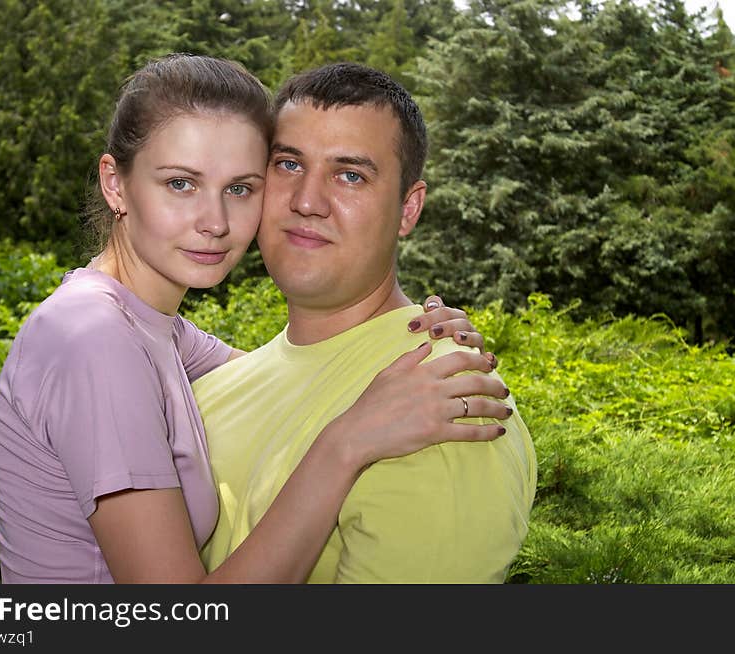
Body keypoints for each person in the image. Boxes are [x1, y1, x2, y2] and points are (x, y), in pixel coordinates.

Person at [0, 54, 511, 584]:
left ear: (409, 208)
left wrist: (416, 330)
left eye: (238, 188)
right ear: (115, 183)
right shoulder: (94, 337)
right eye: (180, 184)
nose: (213, 222)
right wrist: (344, 444)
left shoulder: (155, 330)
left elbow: (299, 372)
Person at [194, 62, 537, 583]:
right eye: (288, 164)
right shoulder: (215, 382)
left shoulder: (443, 407)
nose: (308, 201)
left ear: (408, 209)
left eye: (350, 175)